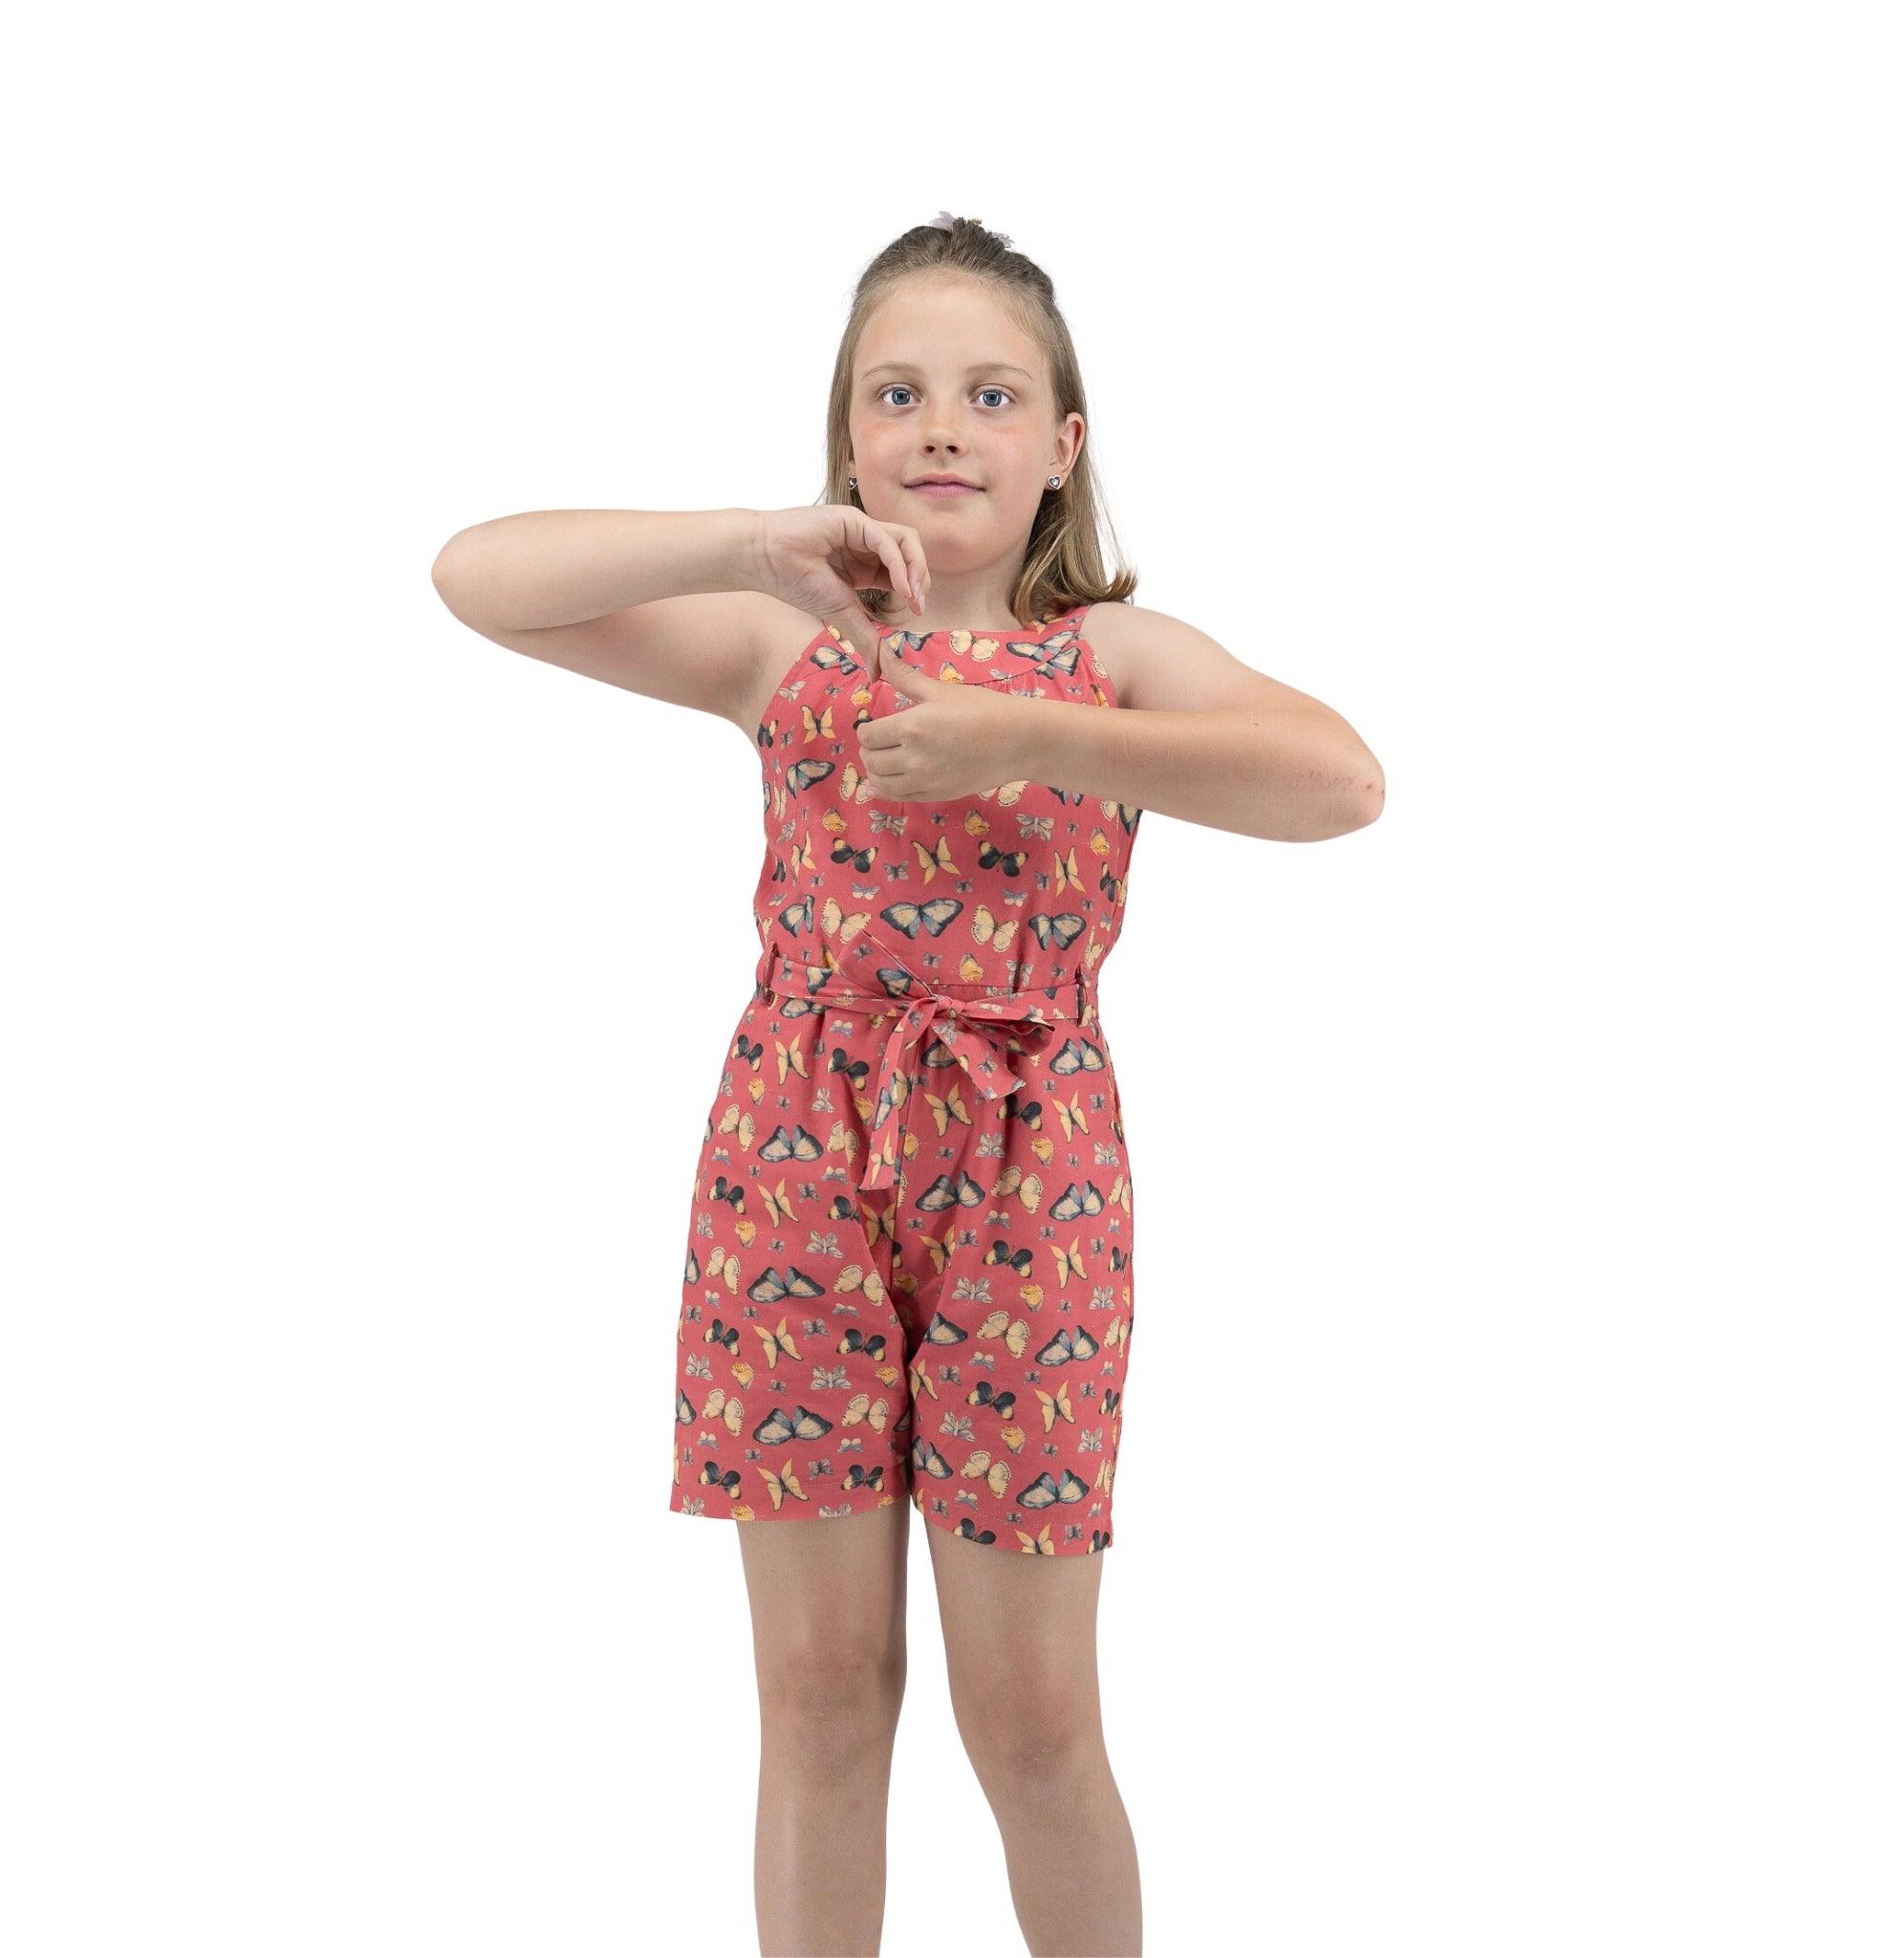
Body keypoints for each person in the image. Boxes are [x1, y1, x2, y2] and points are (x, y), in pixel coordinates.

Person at [431, 211, 1385, 1958]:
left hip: (1038, 1173)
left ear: (1058, 452)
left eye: (991, 394)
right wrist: (749, 542)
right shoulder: (778, 644)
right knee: (818, 1700)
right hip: (791, 1164)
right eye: (900, 392)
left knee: (1031, 1723)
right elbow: (475, 575)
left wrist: (1039, 739)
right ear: (849, 436)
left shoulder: (1113, 658)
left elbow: (1338, 782)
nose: (943, 425)